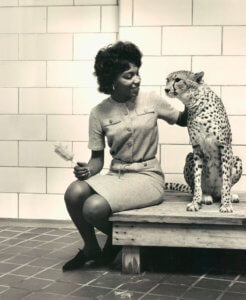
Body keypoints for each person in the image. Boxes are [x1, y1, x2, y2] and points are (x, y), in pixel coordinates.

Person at [63, 41, 187, 271]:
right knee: (74, 191)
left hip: (147, 177)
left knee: (93, 208)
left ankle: (125, 240)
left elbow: (183, 119)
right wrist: (87, 171)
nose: (136, 80)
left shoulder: (152, 100)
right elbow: (97, 161)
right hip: (116, 174)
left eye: (137, 73)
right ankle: (91, 248)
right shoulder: (98, 113)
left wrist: (198, 96)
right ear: (112, 79)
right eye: (128, 76)